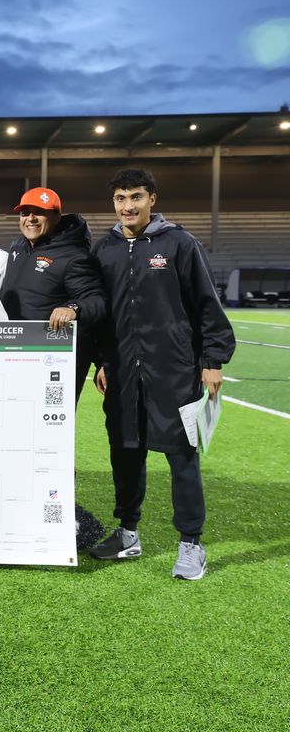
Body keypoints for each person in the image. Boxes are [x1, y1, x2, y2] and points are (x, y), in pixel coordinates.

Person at [89, 168, 235, 580]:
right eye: (120, 198)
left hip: (173, 370)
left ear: (152, 198)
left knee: (180, 455)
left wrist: (212, 360)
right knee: (126, 452)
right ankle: (128, 533)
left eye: (135, 196)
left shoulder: (179, 243)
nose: (128, 206)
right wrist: (103, 361)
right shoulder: (106, 249)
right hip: (122, 372)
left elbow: (206, 304)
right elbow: (102, 316)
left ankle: (191, 543)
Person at [0, 187, 105, 399]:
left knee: (49, 427)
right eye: (25, 212)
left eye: (39, 212)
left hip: (51, 359)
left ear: (57, 216)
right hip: (13, 353)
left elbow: (98, 300)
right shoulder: (18, 247)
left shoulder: (75, 256)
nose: (30, 218)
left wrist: (72, 308)